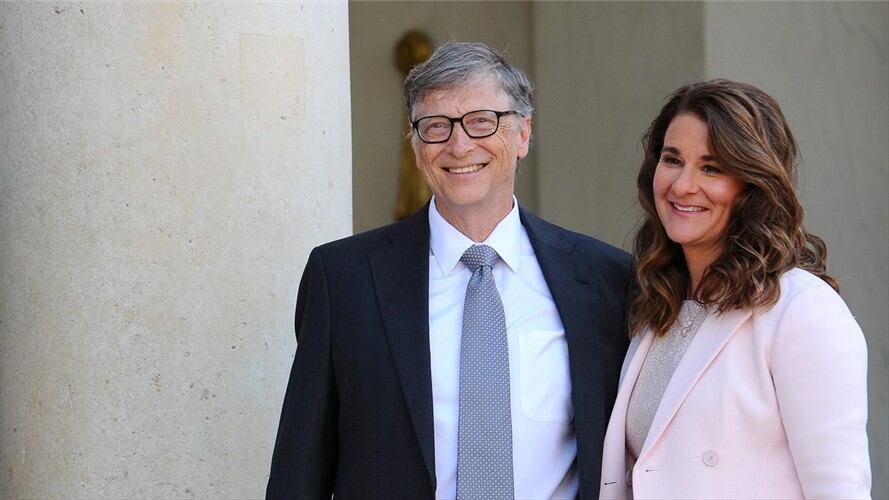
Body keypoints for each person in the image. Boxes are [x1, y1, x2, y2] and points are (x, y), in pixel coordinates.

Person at [267, 42, 634, 499]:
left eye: (482, 121)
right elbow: (299, 468)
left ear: (522, 135)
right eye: (436, 126)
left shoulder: (605, 279)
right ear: (417, 146)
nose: (459, 145)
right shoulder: (343, 278)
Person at [599, 79, 871, 499]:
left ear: (753, 184)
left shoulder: (802, 310)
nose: (683, 185)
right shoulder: (657, 304)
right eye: (673, 160)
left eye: (712, 168)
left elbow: (838, 490)